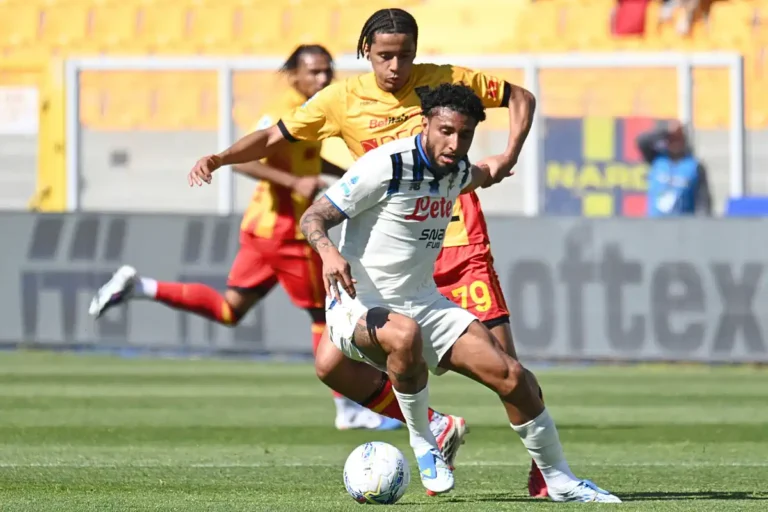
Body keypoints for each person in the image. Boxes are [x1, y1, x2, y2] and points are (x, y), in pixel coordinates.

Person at [186, 7, 551, 497]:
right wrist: (221, 157)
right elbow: (275, 135)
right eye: (384, 56)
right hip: (384, 251)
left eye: (404, 56)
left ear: (416, 53)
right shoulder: (340, 100)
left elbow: (519, 97)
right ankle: (435, 428)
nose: (395, 67)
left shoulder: (445, 82)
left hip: (457, 237)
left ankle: (544, 472)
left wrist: (508, 155)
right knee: (332, 365)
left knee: (506, 366)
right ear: (365, 54)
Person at [300, 83, 621, 502]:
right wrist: (327, 253)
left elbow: (482, 174)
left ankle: (559, 480)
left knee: (513, 376)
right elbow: (315, 215)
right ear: (426, 123)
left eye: (464, 135)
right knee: (404, 335)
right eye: (446, 131)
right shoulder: (385, 166)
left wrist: (507, 157)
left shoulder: (454, 169)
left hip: (423, 301)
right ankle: (424, 443)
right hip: (358, 303)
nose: (454, 143)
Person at [88, 44, 400, 432]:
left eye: (327, 71)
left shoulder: (315, 107)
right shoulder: (286, 111)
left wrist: (350, 174)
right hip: (285, 232)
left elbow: (306, 161)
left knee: (229, 310)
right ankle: (349, 409)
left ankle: (140, 287)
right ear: (294, 75)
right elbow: (249, 160)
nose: (322, 79)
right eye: (314, 72)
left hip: (260, 230)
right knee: (325, 314)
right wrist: (293, 182)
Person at [637, 120, 712, 217]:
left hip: (681, 225)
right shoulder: (657, 159)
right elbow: (641, 140)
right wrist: (665, 130)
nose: (675, 143)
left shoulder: (694, 167)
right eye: (671, 139)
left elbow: (703, 203)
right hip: (654, 224)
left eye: (678, 139)